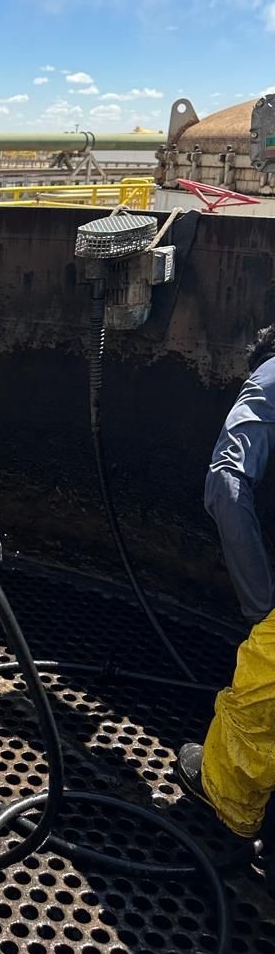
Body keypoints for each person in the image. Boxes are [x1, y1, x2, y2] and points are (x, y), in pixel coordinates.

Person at [177, 324, 275, 839]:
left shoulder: (271, 376)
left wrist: (261, 607)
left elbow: (226, 482)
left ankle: (223, 793)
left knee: (263, 686)